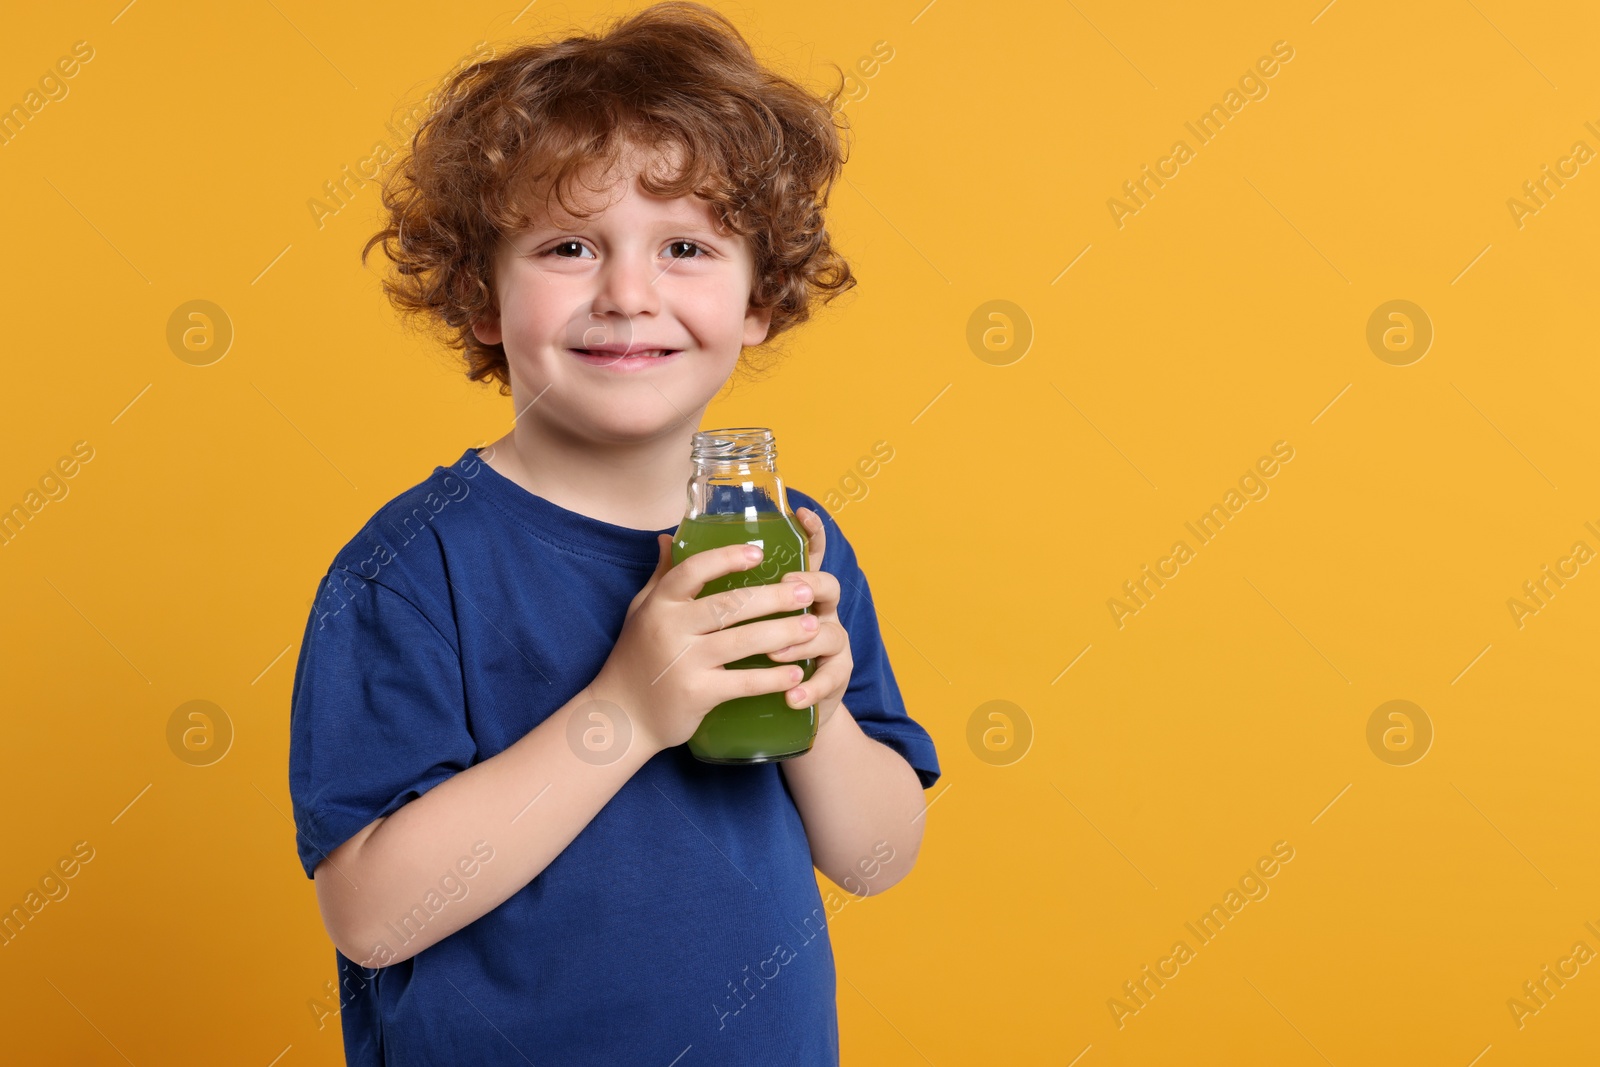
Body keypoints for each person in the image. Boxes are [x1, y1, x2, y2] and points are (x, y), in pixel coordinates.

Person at [287, 3, 940, 1063]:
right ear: (483, 297)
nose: (627, 294)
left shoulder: (791, 544)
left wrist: (819, 712)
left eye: (685, 245)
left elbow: (874, 857)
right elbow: (371, 915)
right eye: (568, 245)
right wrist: (625, 710)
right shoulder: (413, 566)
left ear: (759, 298)